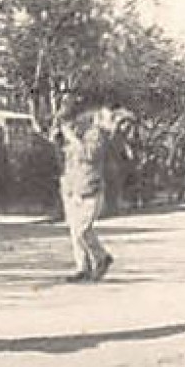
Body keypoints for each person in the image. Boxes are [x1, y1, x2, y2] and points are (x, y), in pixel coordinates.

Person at [56, 105, 118, 282]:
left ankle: (102, 257)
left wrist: (72, 138)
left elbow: (90, 155)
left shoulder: (97, 135)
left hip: (90, 188)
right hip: (72, 187)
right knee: (75, 231)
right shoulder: (78, 133)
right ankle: (82, 267)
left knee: (83, 230)